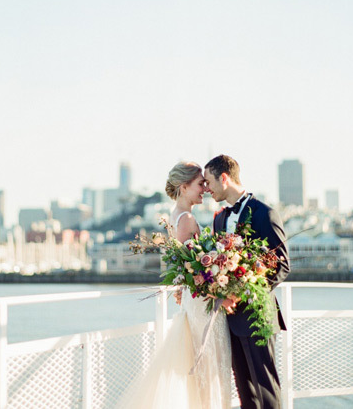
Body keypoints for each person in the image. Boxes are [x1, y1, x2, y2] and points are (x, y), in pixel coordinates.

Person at [115, 161, 232, 409]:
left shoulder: (175, 216)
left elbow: (182, 267)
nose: (205, 189)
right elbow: (193, 267)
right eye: (200, 184)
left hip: (194, 299)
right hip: (202, 302)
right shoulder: (187, 219)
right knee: (210, 366)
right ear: (183, 187)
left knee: (202, 368)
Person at [204, 155, 291, 409]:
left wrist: (242, 293)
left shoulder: (265, 213)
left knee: (267, 392)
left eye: (208, 182)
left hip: (257, 316)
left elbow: (282, 264)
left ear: (224, 177)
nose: (207, 188)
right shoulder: (219, 219)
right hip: (230, 321)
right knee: (245, 394)